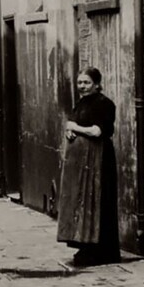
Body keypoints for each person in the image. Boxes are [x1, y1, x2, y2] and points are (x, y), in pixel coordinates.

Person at [57, 67, 121, 267]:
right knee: (83, 202)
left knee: (98, 202)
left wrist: (73, 127)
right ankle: (86, 245)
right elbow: (77, 126)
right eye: (79, 83)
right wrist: (71, 133)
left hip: (99, 161)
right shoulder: (82, 104)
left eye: (86, 83)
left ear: (97, 84)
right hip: (82, 164)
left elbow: (96, 131)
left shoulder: (105, 104)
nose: (82, 87)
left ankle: (101, 250)